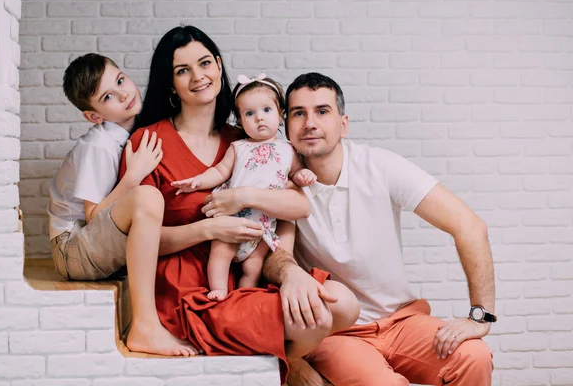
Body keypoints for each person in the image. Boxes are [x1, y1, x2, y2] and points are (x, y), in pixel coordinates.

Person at [119, 26, 359, 385]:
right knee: (320, 316)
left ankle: (276, 361)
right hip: (184, 293)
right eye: (183, 70)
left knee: (342, 303)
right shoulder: (149, 141)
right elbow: (131, 240)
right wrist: (207, 229)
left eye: (204, 63)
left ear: (218, 65)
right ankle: (284, 366)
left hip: (244, 281)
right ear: (170, 84)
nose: (198, 76)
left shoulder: (244, 140)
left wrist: (244, 199)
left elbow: (296, 205)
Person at [263, 72, 495, 386]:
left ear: (343, 124)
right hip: (338, 333)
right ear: (286, 124)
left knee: (474, 357)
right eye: (298, 113)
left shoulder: (380, 166)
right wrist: (289, 274)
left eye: (322, 111)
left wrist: (480, 317)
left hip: (402, 321)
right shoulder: (276, 184)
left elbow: (470, 226)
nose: (309, 123)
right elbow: (275, 257)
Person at [47, 53, 199, 357]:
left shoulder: (131, 132)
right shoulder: (99, 146)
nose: (124, 94)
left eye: (120, 80)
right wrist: (133, 176)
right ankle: (145, 327)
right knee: (147, 197)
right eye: (108, 96)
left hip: (89, 245)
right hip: (71, 249)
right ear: (94, 115)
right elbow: (92, 216)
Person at [171, 73, 317, 301]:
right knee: (220, 254)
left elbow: (295, 173)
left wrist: (303, 174)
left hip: (261, 227)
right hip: (232, 218)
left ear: (280, 116)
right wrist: (197, 181)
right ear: (240, 121)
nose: (259, 118)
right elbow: (220, 171)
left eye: (266, 110)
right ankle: (218, 288)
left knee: (253, 266)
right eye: (250, 113)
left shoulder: (288, 150)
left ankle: (243, 297)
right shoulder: (238, 147)